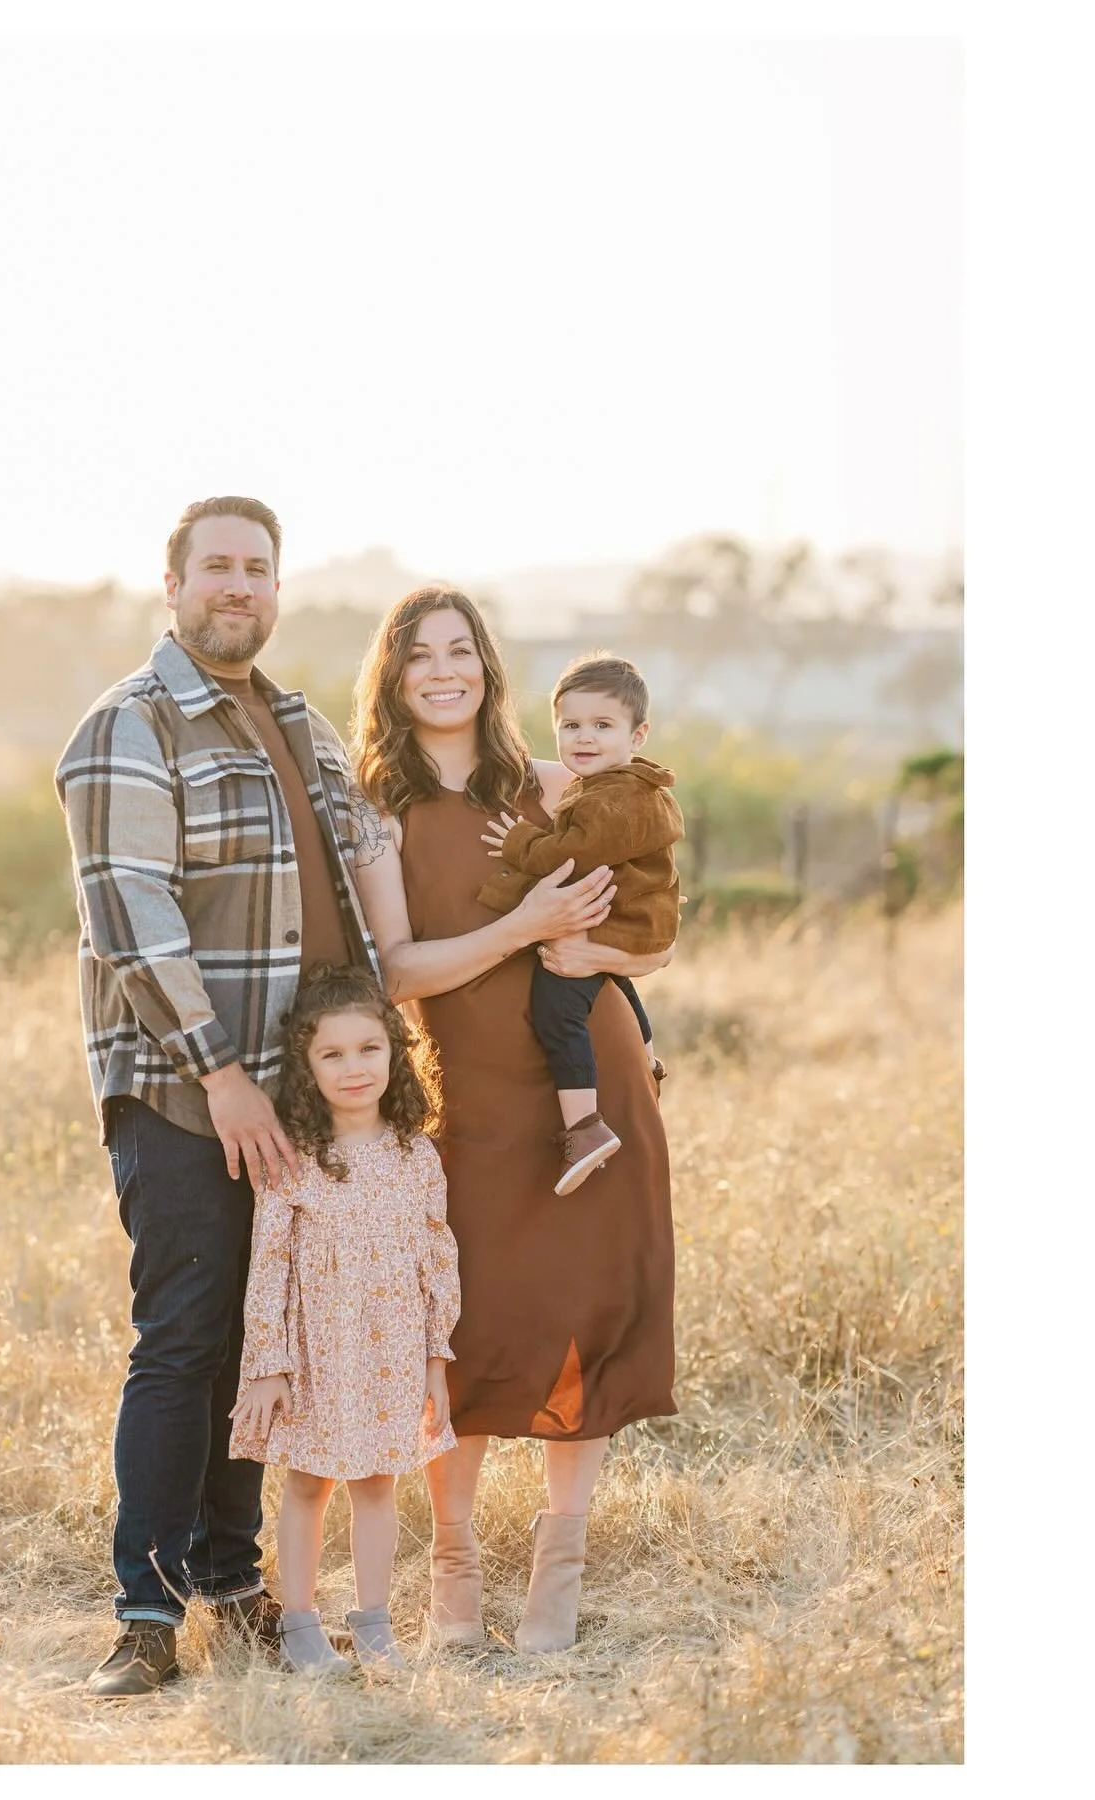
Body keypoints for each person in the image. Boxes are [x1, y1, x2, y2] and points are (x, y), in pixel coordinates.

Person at [54, 497, 380, 1698]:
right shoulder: (127, 728)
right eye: (219, 567)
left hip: (295, 1102)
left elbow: (373, 863)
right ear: (175, 581)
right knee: (185, 1340)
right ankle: (145, 1616)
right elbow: (134, 922)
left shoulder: (301, 726)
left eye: (259, 568)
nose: (239, 586)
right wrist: (223, 1074)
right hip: (186, 1093)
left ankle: (234, 1588)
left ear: (278, 589)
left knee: (264, 1347)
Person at [346, 586, 677, 1655]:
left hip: (592, 1090)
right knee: (465, 1328)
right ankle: (453, 1575)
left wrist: (618, 978)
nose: (443, 671)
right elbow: (397, 973)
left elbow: (642, 933)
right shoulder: (373, 808)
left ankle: (559, 1573)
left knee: (589, 1314)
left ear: (488, 669)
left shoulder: (554, 784)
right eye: (419, 655)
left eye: (461, 651)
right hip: (471, 1096)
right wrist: (524, 926)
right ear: (393, 678)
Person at [228, 963, 460, 1676]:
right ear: (307, 1065)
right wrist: (266, 1366)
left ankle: (374, 1623)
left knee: (378, 1485)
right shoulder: (292, 1162)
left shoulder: (416, 1156)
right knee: (306, 1483)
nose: (353, 1068)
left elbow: (435, 1260)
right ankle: (300, 1625)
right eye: (332, 1054)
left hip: (391, 1350)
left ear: (396, 1053)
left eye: (369, 1049)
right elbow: (267, 1267)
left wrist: (435, 1361)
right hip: (315, 1354)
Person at [477, 654, 683, 1195]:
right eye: (571, 726)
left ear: (637, 735)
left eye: (602, 725)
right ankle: (647, 1059)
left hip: (618, 924)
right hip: (632, 921)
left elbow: (574, 854)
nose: (583, 738)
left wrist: (520, 842)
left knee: (556, 1009)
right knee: (615, 984)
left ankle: (584, 1127)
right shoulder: (615, 787)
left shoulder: (614, 797)